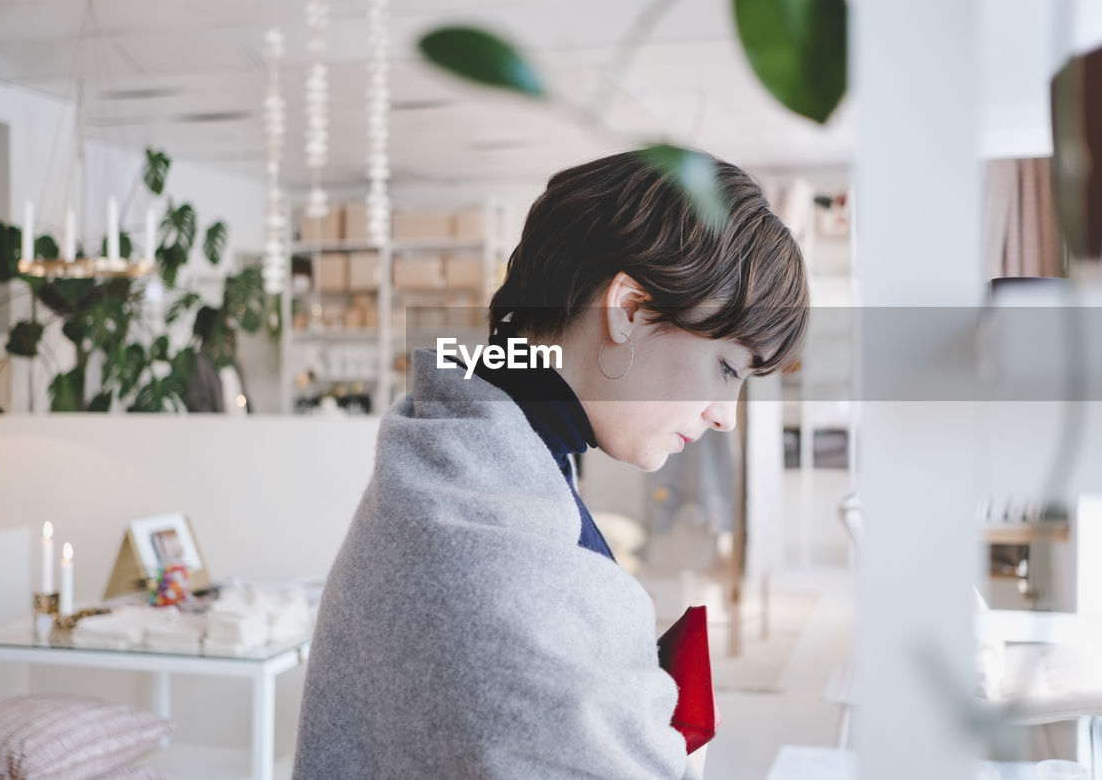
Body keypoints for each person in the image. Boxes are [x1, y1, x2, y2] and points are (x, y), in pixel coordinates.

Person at [293, 150, 809, 779]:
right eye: (726, 367)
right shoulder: (487, 557)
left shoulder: (459, 456)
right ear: (629, 310)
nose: (726, 415)